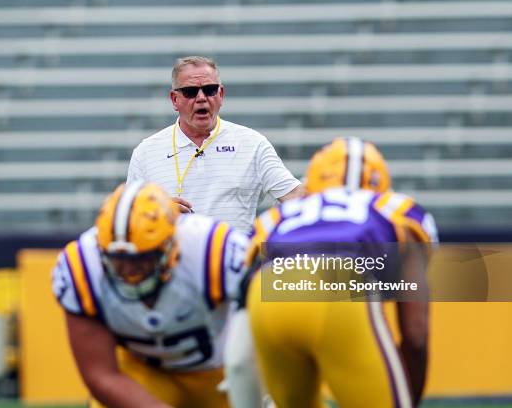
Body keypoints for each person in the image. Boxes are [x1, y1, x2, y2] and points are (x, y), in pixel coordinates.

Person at [233, 138, 438, 408]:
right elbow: (415, 333)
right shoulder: (396, 209)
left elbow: (242, 283)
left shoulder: (277, 217)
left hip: (267, 294)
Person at [51, 181, 249, 408]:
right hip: (144, 374)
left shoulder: (212, 246)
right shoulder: (82, 266)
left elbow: (280, 292)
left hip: (223, 372)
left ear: (171, 245)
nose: (130, 271)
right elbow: (101, 375)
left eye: (143, 259)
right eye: (119, 261)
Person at [127, 55, 303, 233]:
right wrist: (155, 211)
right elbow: (127, 219)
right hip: (174, 259)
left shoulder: (253, 144)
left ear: (221, 94)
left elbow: (295, 197)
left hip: (232, 259)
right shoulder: (146, 152)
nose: (201, 98)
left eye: (210, 90)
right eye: (190, 91)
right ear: (174, 99)